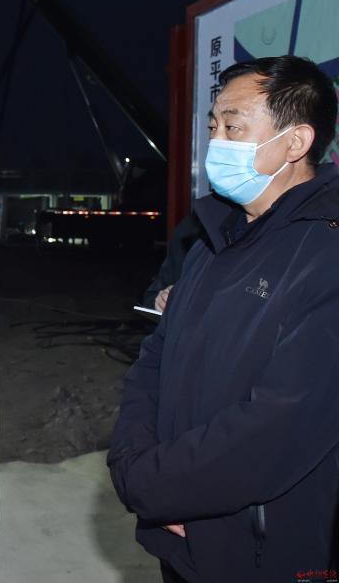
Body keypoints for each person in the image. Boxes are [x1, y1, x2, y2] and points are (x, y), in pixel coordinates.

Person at [108, 55, 339, 582]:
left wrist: (158, 487)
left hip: (261, 553)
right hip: (179, 540)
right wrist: (138, 466)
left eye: (233, 127)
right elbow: (155, 362)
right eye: (213, 126)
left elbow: (279, 427)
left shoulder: (326, 255)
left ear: (296, 142)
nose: (215, 141)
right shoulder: (213, 239)